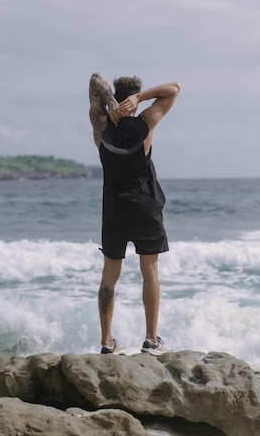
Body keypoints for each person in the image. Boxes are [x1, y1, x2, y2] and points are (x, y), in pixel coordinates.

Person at [89, 72, 180, 355]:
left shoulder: (101, 124)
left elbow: (94, 80)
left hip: (114, 209)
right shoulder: (147, 120)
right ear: (134, 97)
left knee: (109, 274)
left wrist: (113, 104)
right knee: (149, 269)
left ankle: (107, 342)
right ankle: (151, 340)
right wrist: (138, 99)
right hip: (145, 206)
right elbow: (174, 88)